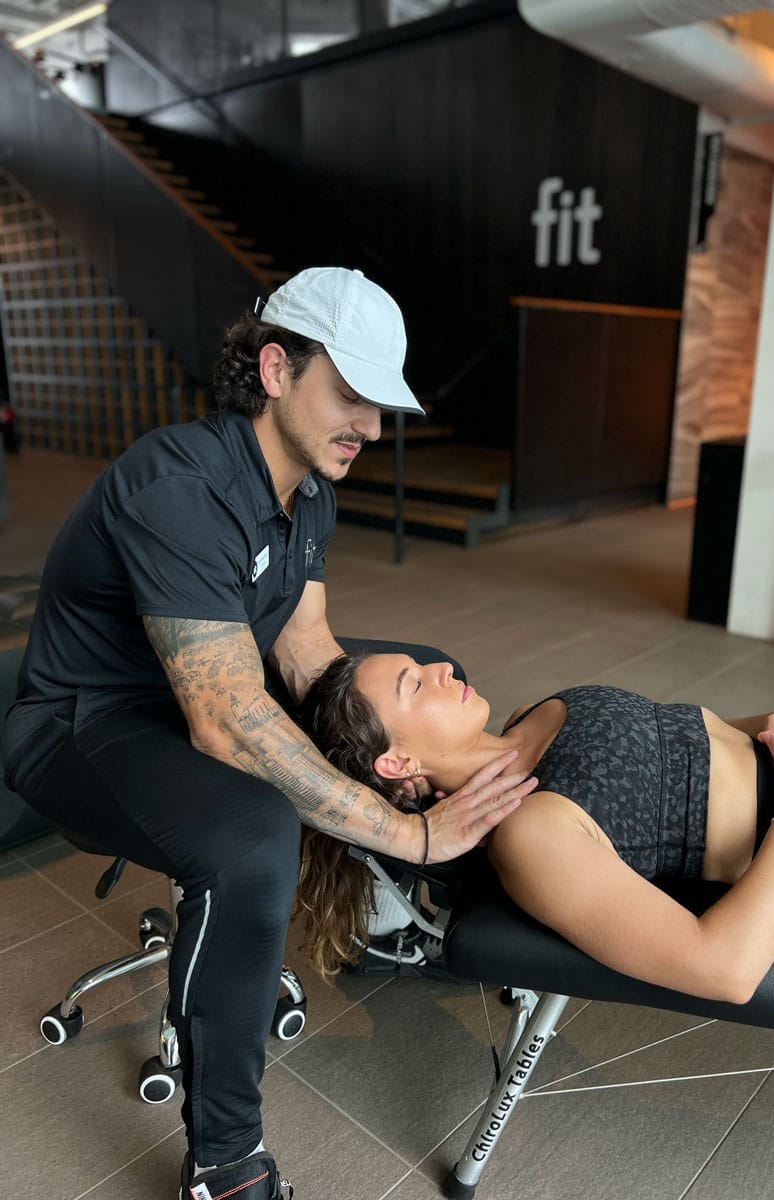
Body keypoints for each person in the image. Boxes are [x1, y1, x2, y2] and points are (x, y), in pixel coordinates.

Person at [0, 268, 534, 1200]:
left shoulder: (308, 492)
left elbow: (304, 652)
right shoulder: (177, 483)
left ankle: (441, 902)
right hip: (82, 726)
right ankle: (225, 1165)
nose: (371, 428)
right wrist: (404, 826)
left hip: (196, 699)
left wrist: (396, 743)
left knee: (423, 672)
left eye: (379, 405)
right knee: (253, 835)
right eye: (353, 397)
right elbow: (230, 723)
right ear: (278, 368)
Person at [297, 651, 774, 1003]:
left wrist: (773, 728)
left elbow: (679, 738)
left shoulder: (528, 716)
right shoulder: (530, 834)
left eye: (421, 664)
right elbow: (727, 969)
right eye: (414, 684)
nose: (439, 668)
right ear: (398, 764)